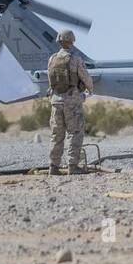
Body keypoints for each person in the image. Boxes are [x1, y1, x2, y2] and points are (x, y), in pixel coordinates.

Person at [46, 29, 93, 174]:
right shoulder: (75, 59)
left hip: (56, 101)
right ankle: (73, 166)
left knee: (57, 134)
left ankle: (53, 167)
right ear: (72, 41)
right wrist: (90, 89)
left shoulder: (52, 59)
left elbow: (50, 80)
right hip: (71, 101)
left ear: (59, 41)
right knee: (75, 132)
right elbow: (85, 78)